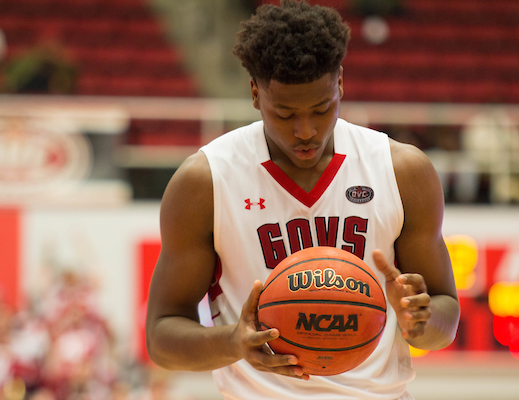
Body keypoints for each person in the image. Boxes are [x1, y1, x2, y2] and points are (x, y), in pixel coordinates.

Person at [145, 1, 460, 399]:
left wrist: (421, 320)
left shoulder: (402, 171)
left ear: (340, 83)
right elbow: (161, 336)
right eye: (286, 114)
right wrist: (233, 342)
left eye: (321, 108)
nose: (306, 130)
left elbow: (445, 320)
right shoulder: (205, 181)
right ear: (256, 93)